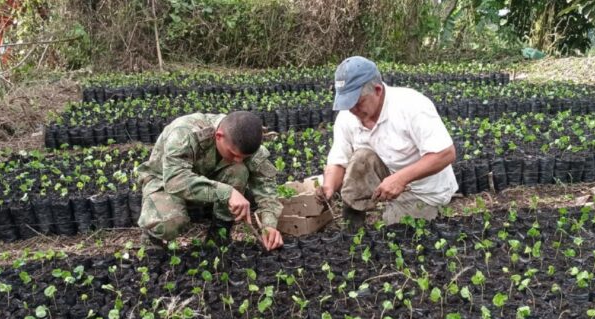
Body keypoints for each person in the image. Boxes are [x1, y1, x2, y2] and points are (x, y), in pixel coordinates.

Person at [315, 56, 458, 229]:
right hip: (389, 172)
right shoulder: (348, 116)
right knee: (361, 158)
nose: (353, 110)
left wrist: (401, 179)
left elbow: (445, 153)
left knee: (396, 233)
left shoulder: (411, 105)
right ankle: (353, 225)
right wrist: (328, 187)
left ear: (377, 90)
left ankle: (426, 209)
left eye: (358, 103)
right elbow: (338, 160)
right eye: (348, 104)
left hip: (423, 190)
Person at [136, 111, 284, 250]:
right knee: (169, 223)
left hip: (207, 184)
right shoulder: (184, 133)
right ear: (218, 136)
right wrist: (227, 192)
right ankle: (152, 239)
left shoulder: (243, 141)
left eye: (244, 157)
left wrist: (269, 225)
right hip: (164, 182)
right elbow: (174, 179)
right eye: (233, 154)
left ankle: (219, 233)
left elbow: (267, 186)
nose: (238, 159)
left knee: (238, 170)